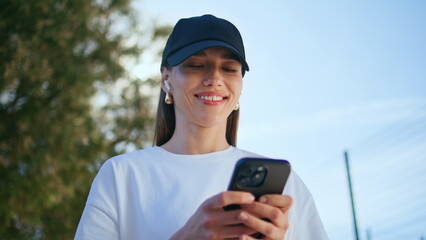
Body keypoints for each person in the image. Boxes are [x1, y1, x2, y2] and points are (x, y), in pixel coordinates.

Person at [75, 14, 328, 240]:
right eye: (196, 65)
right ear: (166, 80)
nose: (215, 79)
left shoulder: (286, 186)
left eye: (229, 69)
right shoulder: (121, 175)